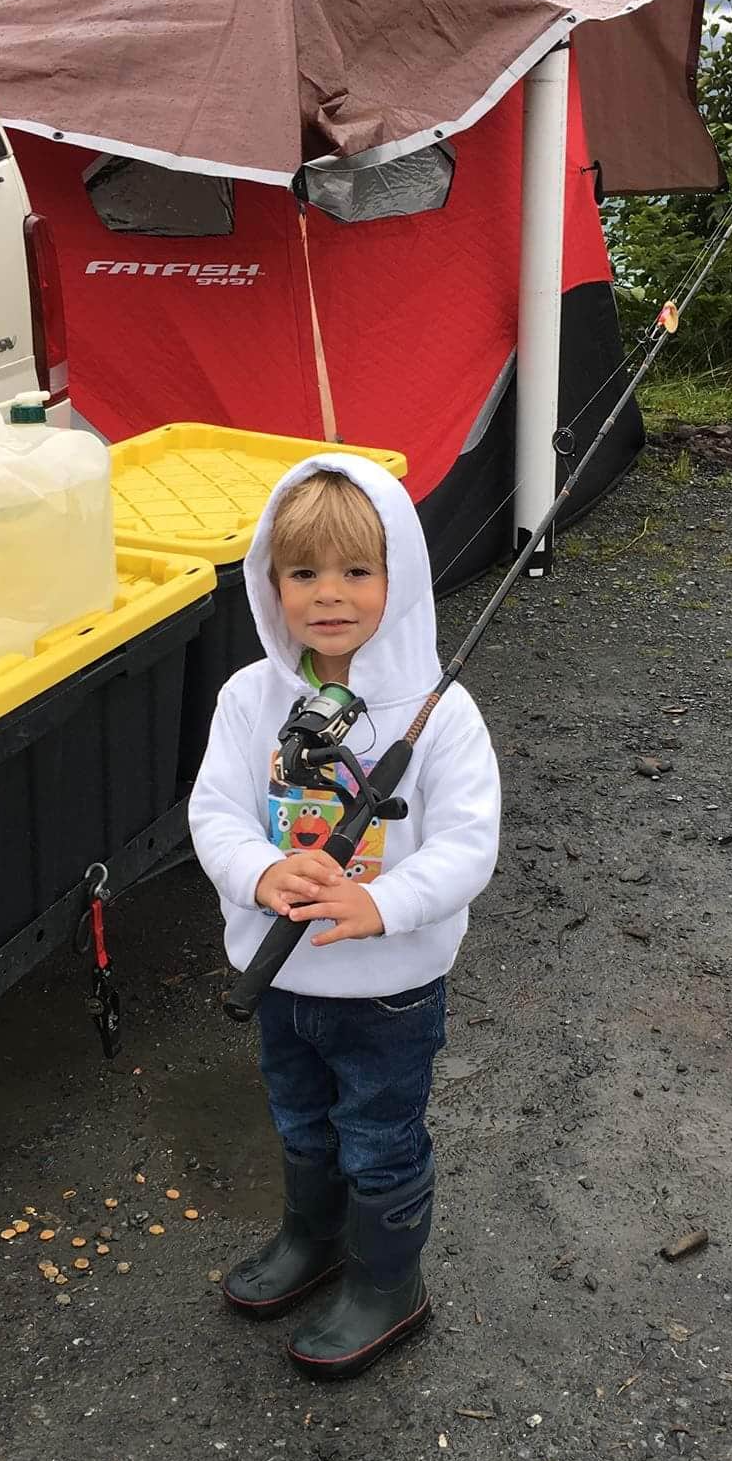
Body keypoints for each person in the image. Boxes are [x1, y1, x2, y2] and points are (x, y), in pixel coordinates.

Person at [189, 454, 501, 1378]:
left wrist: (382, 901)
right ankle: (310, 1237)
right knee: (300, 1121)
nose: (330, 596)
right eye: (304, 573)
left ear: (397, 580)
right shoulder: (250, 698)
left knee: (379, 1135)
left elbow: (465, 847)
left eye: (358, 572)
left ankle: (386, 1281)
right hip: (279, 975)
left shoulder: (444, 714)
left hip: (389, 992)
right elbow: (213, 813)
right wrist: (257, 873)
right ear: (270, 582)